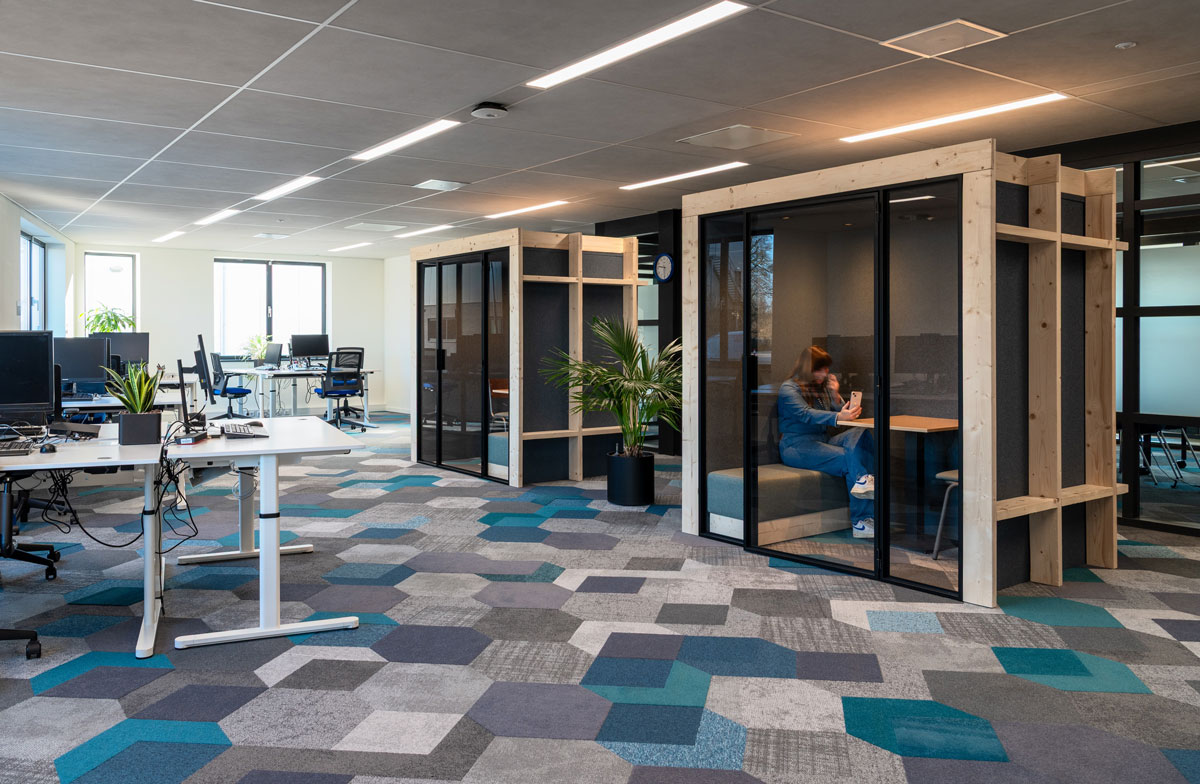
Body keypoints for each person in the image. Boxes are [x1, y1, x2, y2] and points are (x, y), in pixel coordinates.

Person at [777, 346, 876, 538]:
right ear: (807, 368)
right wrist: (838, 417)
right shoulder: (788, 388)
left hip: (823, 440)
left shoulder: (818, 388)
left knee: (861, 434)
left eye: (826, 369)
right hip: (796, 446)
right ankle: (861, 521)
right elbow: (806, 414)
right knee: (850, 458)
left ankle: (864, 483)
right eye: (820, 369)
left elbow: (838, 412)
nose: (825, 373)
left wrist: (835, 394)